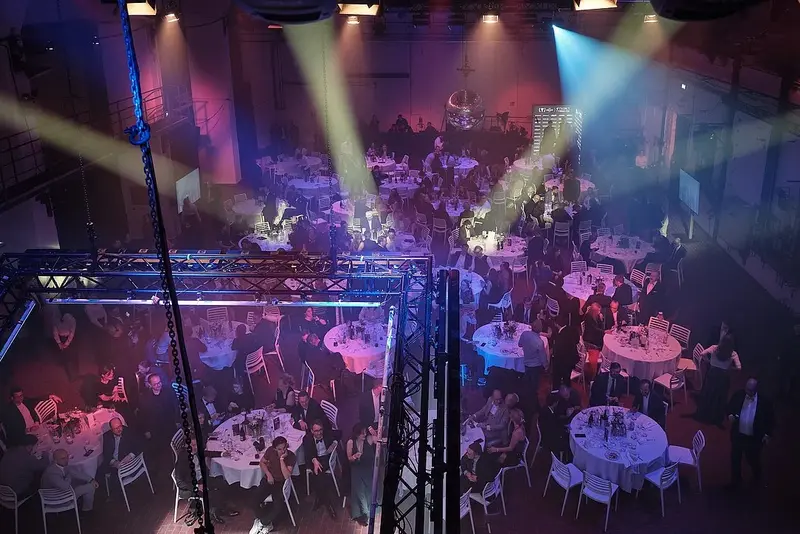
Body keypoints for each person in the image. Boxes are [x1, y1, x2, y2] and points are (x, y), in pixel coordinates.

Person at [727, 378, 773, 489]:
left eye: (751, 390)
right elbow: (729, 408)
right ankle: (735, 483)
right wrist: (730, 415)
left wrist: (767, 434)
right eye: (747, 389)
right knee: (735, 459)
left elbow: (770, 419)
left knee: (753, 459)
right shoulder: (738, 395)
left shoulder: (764, 402)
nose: (748, 392)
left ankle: (757, 479)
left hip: (754, 438)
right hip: (738, 435)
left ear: (756, 390)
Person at [251, 436, 297, 534]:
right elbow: (262, 463)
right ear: (274, 448)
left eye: (284, 448)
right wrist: (268, 474)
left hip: (281, 483)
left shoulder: (291, 456)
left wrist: (281, 460)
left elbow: (286, 475)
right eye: (279, 449)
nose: (283, 450)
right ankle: (264, 520)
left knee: (278, 505)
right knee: (254, 499)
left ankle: (262, 522)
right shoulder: (270, 451)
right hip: (269, 479)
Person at [695, 334, 741, 425]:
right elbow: (739, 368)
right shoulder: (733, 353)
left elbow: (702, 354)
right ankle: (715, 417)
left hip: (712, 374)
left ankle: (704, 413)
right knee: (719, 397)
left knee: (708, 393)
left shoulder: (714, 348)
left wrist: (708, 361)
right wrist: (730, 369)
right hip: (723, 377)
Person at [302, 420, 338, 519]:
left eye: (320, 430)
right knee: (318, 476)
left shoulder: (327, 434)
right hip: (315, 458)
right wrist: (314, 460)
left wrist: (334, 443)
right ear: (312, 431)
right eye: (316, 431)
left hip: (326, 459)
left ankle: (321, 500)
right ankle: (327, 502)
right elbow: (308, 453)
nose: (319, 433)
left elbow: (340, 433)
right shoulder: (307, 439)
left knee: (317, 475)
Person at [98, 417, 142, 490]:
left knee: (115, 480)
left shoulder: (128, 432)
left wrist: (130, 456)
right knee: (99, 472)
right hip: (113, 462)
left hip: (125, 462)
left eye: (120, 426)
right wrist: (114, 462)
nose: (119, 429)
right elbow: (106, 454)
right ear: (111, 430)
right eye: (116, 428)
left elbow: (137, 446)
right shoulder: (106, 436)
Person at [0, 434, 49, 498]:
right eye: (36, 445)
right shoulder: (27, 458)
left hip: (3, 490)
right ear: (30, 446)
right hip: (17, 492)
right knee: (42, 475)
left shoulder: (10, 450)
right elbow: (44, 465)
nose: (37, 446)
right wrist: (46, 453)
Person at [347, 423, 376, 526]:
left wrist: (375, 433)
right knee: (360, 492)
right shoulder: (351, 442)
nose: (364, 435)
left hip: (367, 469)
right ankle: (365, 513)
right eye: (362, 433)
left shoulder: (368, 439)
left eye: (365, 433)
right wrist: (355, 456)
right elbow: (349, 458)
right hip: (357, 469)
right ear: (356, 434)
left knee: (368, 490)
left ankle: (367, 511)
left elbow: (380, 441)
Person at [139, 373, 179, 446]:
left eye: (159, 382)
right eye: (155, 384)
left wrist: (177, 421)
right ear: (150, 385)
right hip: (156, 429)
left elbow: (176, 406)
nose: (159, 385)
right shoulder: (144, 398)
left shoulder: (169, 391)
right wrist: (146, 430)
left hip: (170, 424)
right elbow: (143, 415)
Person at [518, 320, 548, 411]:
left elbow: (519, 344)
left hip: (526, 364)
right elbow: (543, 358)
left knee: (526, 384)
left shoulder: (524, 334)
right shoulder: (539, 342)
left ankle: (524, 402)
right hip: (535, 367)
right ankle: (534, 406)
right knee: (534, 387)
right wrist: (546, 366)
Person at [551, 322, 580, 389]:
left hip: (562, 362)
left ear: (556, 324)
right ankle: (567, 394)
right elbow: (577, 340)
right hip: (571, 361)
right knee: (567, 380)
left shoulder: (560, 335)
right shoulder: (572, 329)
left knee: (556, 379)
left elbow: (557, 351)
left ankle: (556, 393)